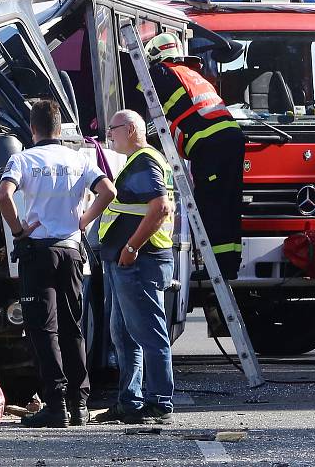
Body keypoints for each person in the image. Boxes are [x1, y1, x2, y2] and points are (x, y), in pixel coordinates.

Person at [0, 99, 116, 428]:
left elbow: (3, 196)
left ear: (32, 128)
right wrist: (85, 221)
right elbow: (108, 190)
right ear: (60, 128)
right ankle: (79, 405)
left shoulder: (23, 158)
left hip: (39, 251)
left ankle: (55, 404)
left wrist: (19, 229)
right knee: (72, 327)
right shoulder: (78, 158)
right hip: (72, 250)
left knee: (43, 329)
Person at [94, 109, 177, 424]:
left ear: (129, 129)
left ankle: (159, 403)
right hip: (129, 261)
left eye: (112, 129)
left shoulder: (144, 161)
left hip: (139, 261)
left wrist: (131, 247)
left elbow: (159, 207)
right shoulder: (140, 161)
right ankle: (130, 402)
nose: (109, 135)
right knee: (125, 334)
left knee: (147, 333)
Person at [144, 32, 245, 280]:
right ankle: (229, 265)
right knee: (229, 205)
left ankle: (216, 268)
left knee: (211, 204)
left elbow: (143, 99)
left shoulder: (161, 72)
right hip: (231, 139)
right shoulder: (192, 74)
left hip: (210, 145)